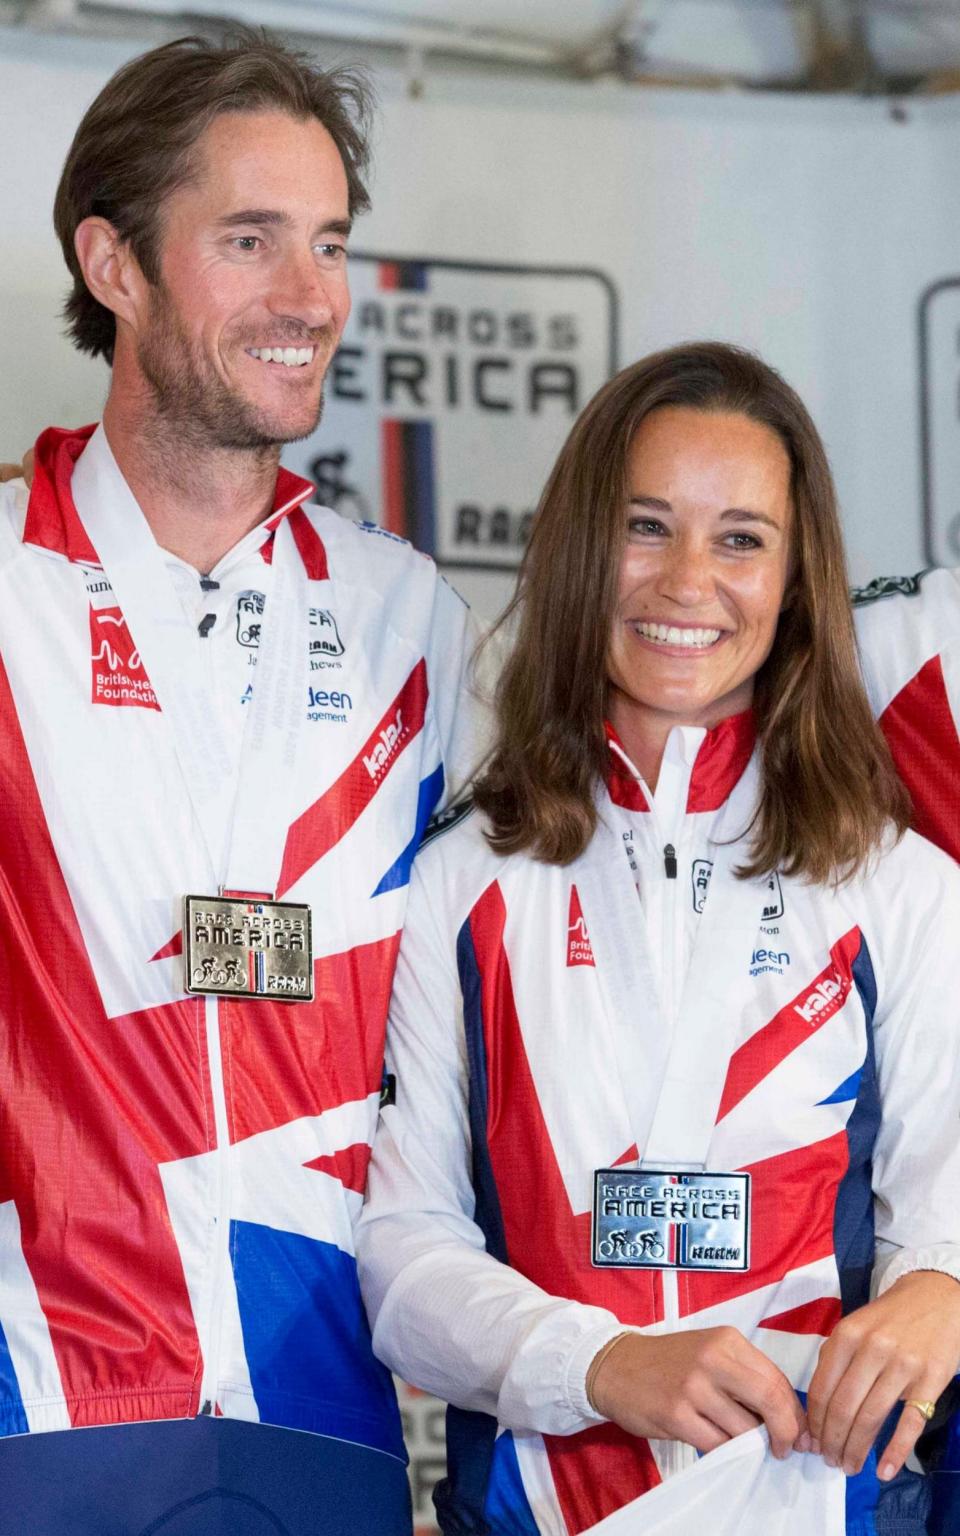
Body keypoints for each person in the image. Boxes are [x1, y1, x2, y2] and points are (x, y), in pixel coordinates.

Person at [0, 30, 483, 1536]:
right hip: (39, 1403)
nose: (313, 299)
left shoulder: (415, 619)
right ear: (116, 263)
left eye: (330, 243)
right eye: (251, 240)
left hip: (323, 1411)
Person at [355, 342, 960, 1536]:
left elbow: (940, 1213)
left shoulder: (903, 887)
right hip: (539, 1509)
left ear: (794, 579)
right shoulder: (459, 881)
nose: (690, 581)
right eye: (647, 527)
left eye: (741, 538)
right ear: (583, 550)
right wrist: (600, 1364)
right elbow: (401, 1249)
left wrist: (941, 1288)